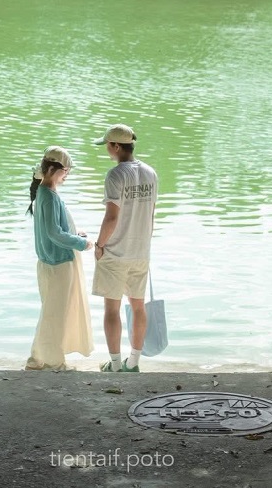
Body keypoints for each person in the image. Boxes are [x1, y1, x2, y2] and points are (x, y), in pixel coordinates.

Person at [91, 123, 158, 372]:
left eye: (108, 145)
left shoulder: (116, 175)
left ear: (116, 146)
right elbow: (151, 213)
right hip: (141, 251)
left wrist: (99, 245)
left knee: (112, 308)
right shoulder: (150, 172)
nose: (107, 149)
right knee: (138, 306)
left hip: (116, 252)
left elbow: (111, 217)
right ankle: (134, 362)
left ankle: (116, 365)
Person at [25, 145, 94, 371]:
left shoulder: (44, 192)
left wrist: (75, 233)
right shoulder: (48, 196)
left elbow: (53, 228)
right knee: (55, 315)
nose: (67, 176)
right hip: (58, 264)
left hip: (48, 262)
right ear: (55, 170)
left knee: (50, 313)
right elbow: (54, 233)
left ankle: (37, 359)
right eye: (66, 171)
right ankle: (54, 362)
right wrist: (82, 243)